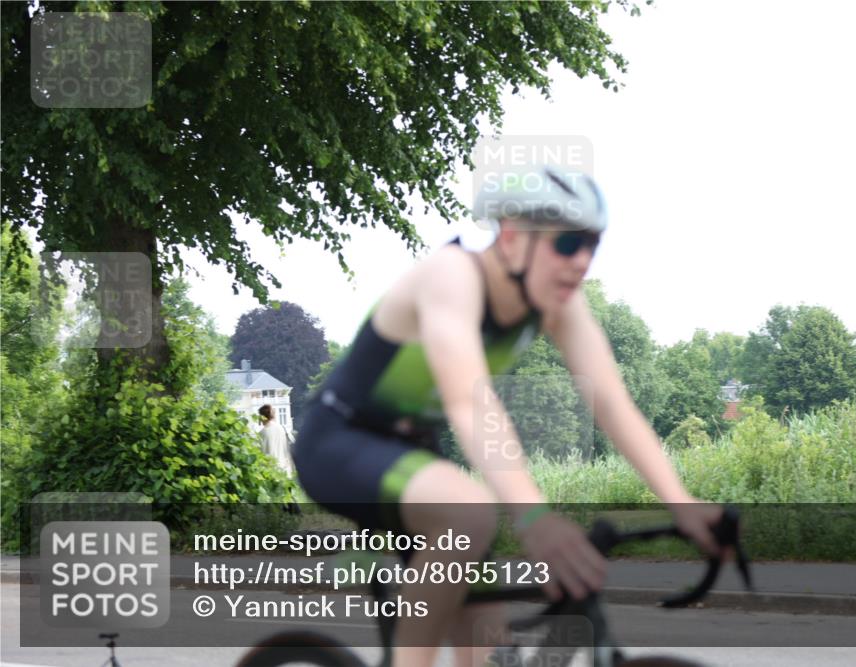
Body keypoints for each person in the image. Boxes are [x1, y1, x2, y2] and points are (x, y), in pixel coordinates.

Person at [292, 166, 727, 667]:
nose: (581, 261)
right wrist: (535, 519)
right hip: (339, 442)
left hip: (413, 455)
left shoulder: (557, 303)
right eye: (567, 243)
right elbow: (468, 402)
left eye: (592, 244)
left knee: (488, 642)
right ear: (514, 237)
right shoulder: (452, 276)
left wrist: (682, 503)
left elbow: (612, 404)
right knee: (470, 512)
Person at [257, 404, 293, 475]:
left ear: (261, 417)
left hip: (269, 473)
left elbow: (258, 456)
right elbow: (292, 446)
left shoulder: (261, 434)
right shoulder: (283, 428)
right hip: (285, 471)